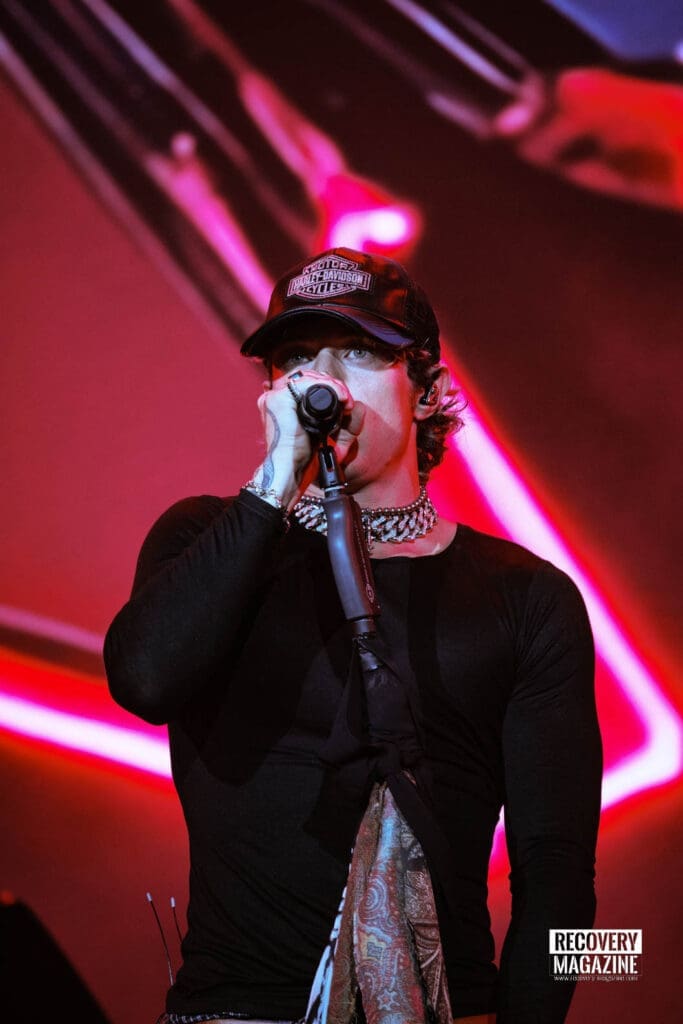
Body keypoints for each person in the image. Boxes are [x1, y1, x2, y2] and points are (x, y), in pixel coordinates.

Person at [103, 246, 603, 1024]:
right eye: (296, 359)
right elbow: (144, 681)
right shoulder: (204, 539)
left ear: (427, 390)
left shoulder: (527, 597)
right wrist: (274, 484)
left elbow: (562, 875)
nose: (323, 384)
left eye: (358, 353)